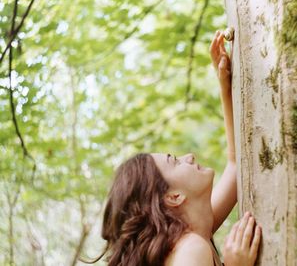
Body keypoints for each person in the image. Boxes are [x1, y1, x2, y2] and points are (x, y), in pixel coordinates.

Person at [96, 30, 262, 266]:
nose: (190, 157)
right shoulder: (191, 248)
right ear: (174, 196)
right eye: (174, 161)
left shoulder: (192, 236)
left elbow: (236, 166)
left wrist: (225, 85)